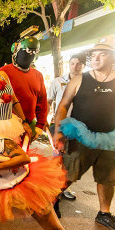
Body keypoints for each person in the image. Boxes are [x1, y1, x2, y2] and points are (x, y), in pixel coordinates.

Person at [54, 36, 115, 230]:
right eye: (93, 55)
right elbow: (63, 106)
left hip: (110, 140)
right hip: (80, 138)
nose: (96, 59)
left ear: (112, 57)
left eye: (102, 54)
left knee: (107, 178)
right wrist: (58, 131)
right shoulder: (80, 79)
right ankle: (52, 201)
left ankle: (104, 213)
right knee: (68, 174)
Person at [47, 53, 86, 202]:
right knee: (58, 159)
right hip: (60, 126)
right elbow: (49, 101)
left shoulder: (86, 84)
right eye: (72, 63)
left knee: (74, 161)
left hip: (80, 128)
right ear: (68, 64)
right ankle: (52, 190)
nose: (75, 67)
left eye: (79, 64)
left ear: (83, 66)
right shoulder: (58, 82)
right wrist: (45, 119)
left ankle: (64, 188)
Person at [0, 36, 48, 141]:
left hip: (30, 126)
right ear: (16, 51)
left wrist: (40, 125)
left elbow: (42, 102)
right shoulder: (3, 72)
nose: (29, 55)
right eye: (26, 52)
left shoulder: (38, 75)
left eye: (33, 52)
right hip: (8, 126)